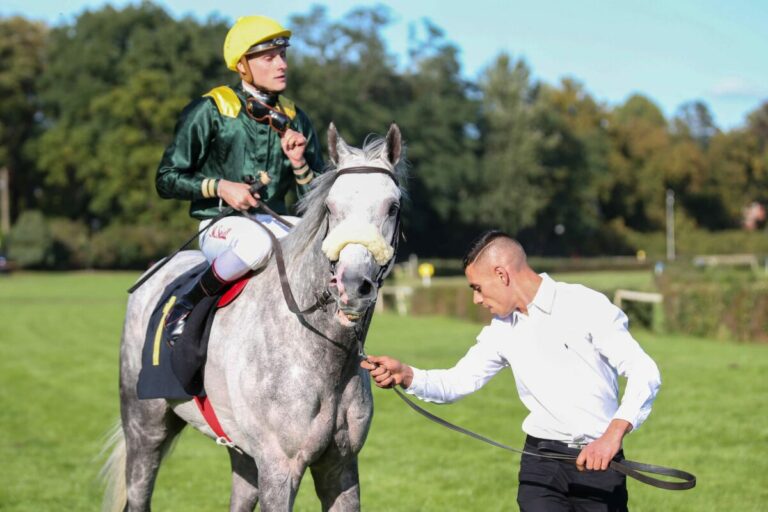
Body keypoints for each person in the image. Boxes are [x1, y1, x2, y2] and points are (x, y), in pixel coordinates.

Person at [361, 230, 661, 511]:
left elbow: (643, 370)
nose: (477, 299)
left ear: (502, 274)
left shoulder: (584, 305)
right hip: (539, 465)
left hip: (598, 465)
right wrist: (407, 374)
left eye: (477, 288)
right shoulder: (501, 331)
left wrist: (612, 435)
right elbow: (458, 381)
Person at [155, 15, 324, 342]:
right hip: (220, 225)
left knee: (328, 244)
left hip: (279, 222)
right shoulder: (210, 109)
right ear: (242, 66)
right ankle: (187, 305)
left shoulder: (296, 118)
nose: (281, 64)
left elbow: (315, 199)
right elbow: (166, 178)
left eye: (283, 55)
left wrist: (299, 163)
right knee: (256, 242)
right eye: (269, 57)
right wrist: (220, 187)